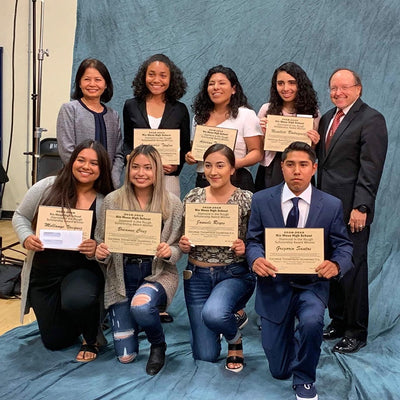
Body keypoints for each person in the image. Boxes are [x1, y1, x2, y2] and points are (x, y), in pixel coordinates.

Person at [246, 141, 353, 400]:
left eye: (303, 165)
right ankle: (293, 344)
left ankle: (305, 379)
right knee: (279, 371)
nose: (297, 170)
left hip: (311, 286)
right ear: (282, 167)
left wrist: (336, 264)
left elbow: (344, 246)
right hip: (274, 286)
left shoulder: (330, 205)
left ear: (313, 168)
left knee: (311, 322)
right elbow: (253, 241)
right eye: (290, 164)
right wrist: (256, 259)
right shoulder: (261, 200)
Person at [12, 139, 113, 362]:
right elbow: (20, 216)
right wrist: (26, 237)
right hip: (44, 274)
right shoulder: (48, 186)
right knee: (54, 341)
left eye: (94, 163)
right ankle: (90, 316)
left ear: (102, 169)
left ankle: (91, 337)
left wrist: (95, 248)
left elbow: (109, 247)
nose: (86, 167)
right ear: (71, 161)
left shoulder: (105, 201)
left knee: (77, 299)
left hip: (81, 271)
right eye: (81, 160)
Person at [316, 68, 388, 354]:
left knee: (353, 269)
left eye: (345, 87)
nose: (338, 93)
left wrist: (362, 207)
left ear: (358, 89)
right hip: (325, 207)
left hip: (352, 209)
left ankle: (356, 331)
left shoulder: (372, 119)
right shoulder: (325, 120)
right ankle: (338, 320)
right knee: (332, 265)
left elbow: (371, 168)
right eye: (333, 88)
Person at [95, 145, 183, 376]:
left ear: (158, 172)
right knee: (126, 356)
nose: (140, 173)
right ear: (127, 169)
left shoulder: (172, 203)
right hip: (121, 276)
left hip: (157, 273)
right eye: (135, 167)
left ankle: (158, 344)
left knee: (142, 307)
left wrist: (169, 251)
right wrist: (100, 252)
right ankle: (133, 323)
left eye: (147, 167)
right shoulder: (112, 200)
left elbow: (177, 249)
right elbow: (99, 241)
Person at [179, 144, 255, 373]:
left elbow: (259, 242)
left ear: (232, 169)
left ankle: (234, 338)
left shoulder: (246, 199)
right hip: (197, 276)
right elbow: (181, 235)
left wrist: (247, 248)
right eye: (208, 165)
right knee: (206, 356)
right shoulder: (193, 197)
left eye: (220, 165)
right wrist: (182, 244)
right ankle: (229, 317)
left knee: (214, 314)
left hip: (233, 274)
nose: (213, 171)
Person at [185, 65, 263, 193]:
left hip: (236, 179)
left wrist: (236, 163)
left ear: (233, 89)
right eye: (211, 84)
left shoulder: (246, 115)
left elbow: (257, 152)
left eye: (222, 83)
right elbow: (195, 150)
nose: (216, 87)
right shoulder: (199, 118)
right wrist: (189, 157)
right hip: (204, 181)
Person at [123, 53, 190, 199]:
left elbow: (184, 147)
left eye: (163, 75)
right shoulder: (131, 106)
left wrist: (175, 166)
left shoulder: (180, 109)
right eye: (151, 74)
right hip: (138, 178)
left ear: (171, 79)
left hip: (168, 179)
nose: (156, 80)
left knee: (168, 219)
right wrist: (129, 157)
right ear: (144, 77)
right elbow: (128, 142)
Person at [57, 58, 124, 189]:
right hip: (75, 184)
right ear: (79, 83)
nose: (92, 84)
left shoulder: (113, 115)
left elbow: (119, 154)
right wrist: (85, 175)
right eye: (87, 79)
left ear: (105, 84)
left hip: (107, 185)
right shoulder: (70, 109)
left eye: (98, 80)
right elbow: (66, 150)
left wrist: (113, 179)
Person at [255, 62, 320, 191]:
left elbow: (313, 153)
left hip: (300, 168)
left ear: (300, 85)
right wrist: (263, 135)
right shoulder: (266, 109)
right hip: (271, 168)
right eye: (280, 83)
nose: (285, 88)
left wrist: (315, 143)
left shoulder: (313, 113)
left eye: (292, 83)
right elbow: (256, 150)